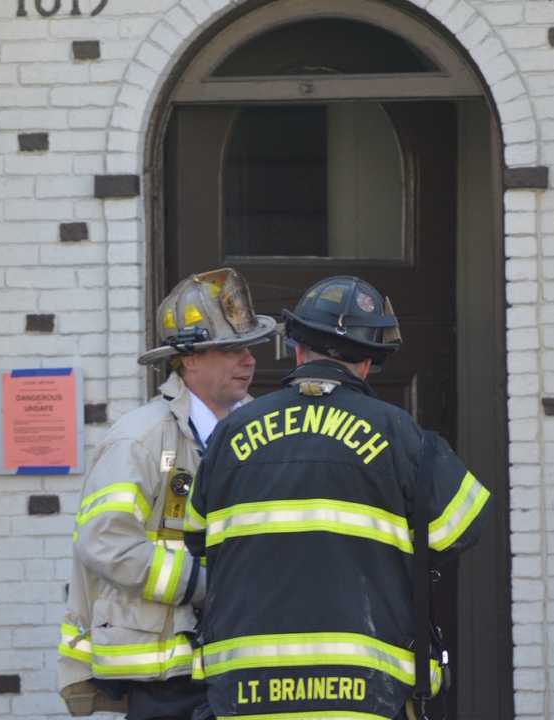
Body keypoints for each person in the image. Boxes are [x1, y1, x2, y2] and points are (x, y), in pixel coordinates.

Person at [184, 275, 491, 720]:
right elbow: (461, 530)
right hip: (362, 694)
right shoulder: (398, 433)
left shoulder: (232, 433)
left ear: (297, 348)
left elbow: (196, 536)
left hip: (244, 694)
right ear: (368, 362)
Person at [57, 268, 276, 720]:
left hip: (243, 663)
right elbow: (105, 540)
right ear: (189, 360)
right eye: (231, 349)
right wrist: (200, 584)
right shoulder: (140, 439)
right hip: (165, 679)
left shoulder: (265, 431)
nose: (249, 361)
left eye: (249, 348)